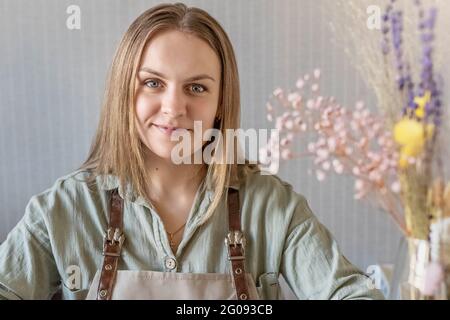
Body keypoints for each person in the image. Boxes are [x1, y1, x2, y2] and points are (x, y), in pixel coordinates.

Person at [0, 2, 384, 300]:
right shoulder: (62, 210)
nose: (173, 108)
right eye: (153, 83)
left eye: (196, 88)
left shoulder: (272, 207)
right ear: (124, 92)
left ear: (221, 102)